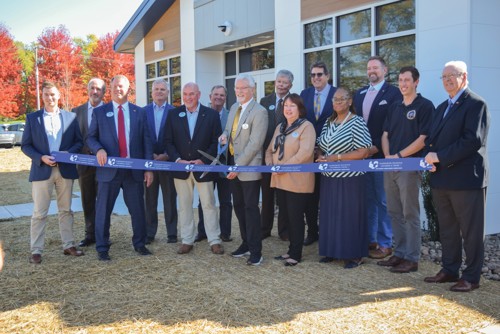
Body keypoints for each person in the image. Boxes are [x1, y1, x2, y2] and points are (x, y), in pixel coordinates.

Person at [424, 61, 490, 292]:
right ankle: (449, 270)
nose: (448, 80)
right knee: (448, 229)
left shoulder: (476, 104)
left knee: (471, 232)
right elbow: (431, 141)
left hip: (466, 180)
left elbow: (472, 141)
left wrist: (439, 157)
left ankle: (471, 277)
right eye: (444, 77)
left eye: (453, 75)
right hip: (442, 179)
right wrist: (429, 161)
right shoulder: (442, 107)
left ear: (464, 77)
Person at [87, 74, 153, 261]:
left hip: (133, 171)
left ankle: (140, 244)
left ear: (128, 88)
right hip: (108, 171)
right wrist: (98, 149)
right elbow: (90, 138)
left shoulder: (139, 112)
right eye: (115, 86)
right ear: (111, 88)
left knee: (138, 210)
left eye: (122, 86)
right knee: (103, 212)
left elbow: (146, 141)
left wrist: (148, 169)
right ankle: (102, 248)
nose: (118, 89)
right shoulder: (100, 112)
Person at [21, 81, 84, 264]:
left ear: (59, 96)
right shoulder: (33, 118)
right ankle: (36, 250)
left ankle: (68, 245)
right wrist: (41, 157)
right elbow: (26, 145)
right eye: (47, 94)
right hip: (42, 170)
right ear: (43, 96)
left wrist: (68, 153)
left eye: (53, 94)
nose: (50, 98)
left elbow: (79, 143)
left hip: (65, 171)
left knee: (66, 210)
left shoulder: (70, 118)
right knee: (40, 212)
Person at [378, 66, 433, 273]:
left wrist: (399, 156)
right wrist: (388, 157)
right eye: (400, 80)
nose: (403, 84)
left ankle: (412, 258)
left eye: (407, 80)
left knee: (410, 212)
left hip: (409, 168)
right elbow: (385, 134)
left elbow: (423, 139)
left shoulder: (425, 106)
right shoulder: (394, 106)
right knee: (393, 211)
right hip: (390, 165)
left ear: (416, 82)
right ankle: (399, 253)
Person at [165, 82, 224, 255]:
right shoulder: (173, 114)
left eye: (192, 94)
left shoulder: (211, 115)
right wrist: (177, 159)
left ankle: (214, 240)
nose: (188, 97)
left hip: (203, 168)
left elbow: (216, 142)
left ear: (198, 95)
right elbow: (167, 141)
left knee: (209, 204)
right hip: (180, 168)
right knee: (184, 205)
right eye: (185, 94)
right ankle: (187, 240)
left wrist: (203, 160)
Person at [316, 87, 372, 269]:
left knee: (349, 216)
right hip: (329, 177)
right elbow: (321, 145)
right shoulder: (328, 122)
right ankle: (332, 251)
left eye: (342, 99)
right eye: (335, 99)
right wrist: (320, 155)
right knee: (331, 215)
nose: (337, 102)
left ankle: (354, 254)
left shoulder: (357, 122)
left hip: (350, 177)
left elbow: (364, 151)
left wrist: (336, 157)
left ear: (350, 102)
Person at [353, 55, 402, 259]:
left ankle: (385, 242)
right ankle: (371, 239)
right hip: (362, 157)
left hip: (382, 155)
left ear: (385, 70)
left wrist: (381, 148)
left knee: (383, 200)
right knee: (369, 199)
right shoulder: (360, 93)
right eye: (369, 68)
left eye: (375, 67)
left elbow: (393, 124)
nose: (371, 71)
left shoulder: (393, 93)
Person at [220, 73, 268, 266]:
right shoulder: (233, 107)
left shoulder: (260, 111)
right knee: (238, 207)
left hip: (248, 168)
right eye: (237, 88)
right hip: (233, 165)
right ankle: (246, 243)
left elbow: (255, 143)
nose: (239, 91)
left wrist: (238, 167)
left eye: (243, 88)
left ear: (252, 89)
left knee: (250, 209)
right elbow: (228, 130)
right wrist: (223, 136)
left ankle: (256, 251)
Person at [265, 93, 315, 266]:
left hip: (297, 180)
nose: (288, 109)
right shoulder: (280, 127)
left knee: (295, 217)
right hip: (280, 180)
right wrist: (271, 164)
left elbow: (305, 153)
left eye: (292, 106)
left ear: (300, 109)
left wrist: (283, 167)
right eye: (286, 105)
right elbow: (270, 150)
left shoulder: (306, 127)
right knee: (286, 216)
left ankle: (296, 253)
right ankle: (290, 250)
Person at [300, 61, 336, 246]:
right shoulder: (305, 94)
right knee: (310, 196)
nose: (316, 78)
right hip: (308, 154)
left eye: (319, 74)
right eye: (313, 75)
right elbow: (300, 120)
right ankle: (312, 231)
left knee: (329, 196)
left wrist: (323, 147)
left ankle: (329, 233)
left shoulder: (337, 94)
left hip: (331, 153)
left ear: (327, 76)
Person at [195, 85, 233, 243]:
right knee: (204, 200)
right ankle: (203, 231)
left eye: (222, 95)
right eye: (216, 94)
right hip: (206, 164)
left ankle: (225, 233)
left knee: (225, 201)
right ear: (210, 96)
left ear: (225, 98)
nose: (218, 97)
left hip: (224, 165)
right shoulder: (202, 114)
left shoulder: (231, 116)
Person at [260, 69, 293, 241]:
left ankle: (284, 231)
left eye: (284, 82)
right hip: (266, 155)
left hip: (285, 155)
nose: (281, 85)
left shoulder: (293, 101)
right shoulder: (265, 101)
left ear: (290, 85)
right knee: (266, 194)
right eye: (279, 81)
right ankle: (265, 229)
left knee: (282, 195)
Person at [72, 77, 105, 247]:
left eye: (98, 89)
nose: (95, 91)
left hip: (104, 165)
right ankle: (89, 234)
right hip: (84, 165)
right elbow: (72, 138)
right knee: (87, 200)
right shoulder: (76, 112)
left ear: (103, 92)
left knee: (103, 201)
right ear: (87, 90)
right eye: (92, 88)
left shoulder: (109, 110)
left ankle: (102, 234)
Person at [144, 79, 178, 245]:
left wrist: (166, 154)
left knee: (170, 198)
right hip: (149, 163)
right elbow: (141, 137)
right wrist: (149, 155)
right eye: (156, 89)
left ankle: (172, 233)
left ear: (168, 93)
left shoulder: (175, 112)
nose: (159, 92)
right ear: (151, 92)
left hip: (168, 162)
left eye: (162, 89)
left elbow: (177, 138)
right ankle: (150, 233)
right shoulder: (143, 112)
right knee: (150, 199)